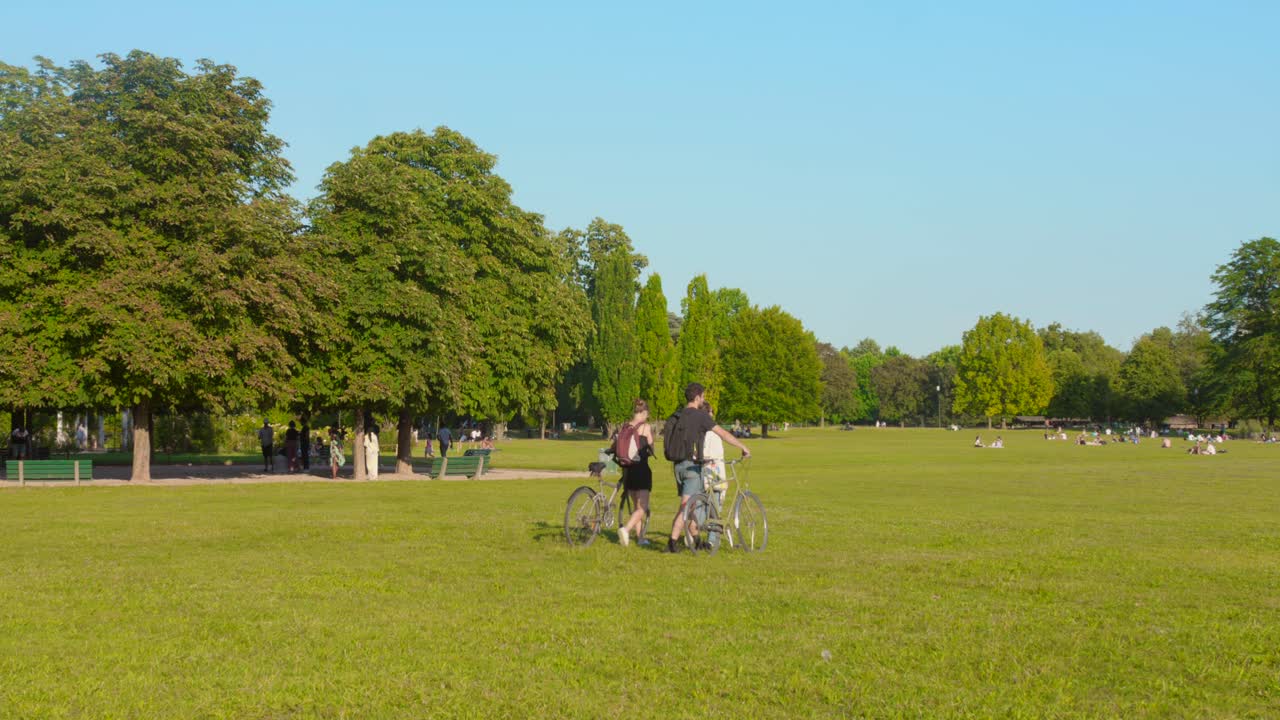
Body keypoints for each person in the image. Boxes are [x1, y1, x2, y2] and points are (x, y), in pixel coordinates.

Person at [664, 383, 750, 553]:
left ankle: (696, 540)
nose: (703, 400)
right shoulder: (701, 416)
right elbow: (723, 434)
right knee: (686, 506)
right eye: (702, 397)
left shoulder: (677, 415)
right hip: (692, 468)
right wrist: (743, 446)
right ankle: (672, 543)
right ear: (697, 398)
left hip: (677, 467)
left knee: (692, 505)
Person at [616, 399, 655, 547]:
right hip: (641, 469)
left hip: (628, 470)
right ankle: (625, 530)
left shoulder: (626, 426)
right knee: (642, 507)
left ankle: (640, 538)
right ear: (644, 413)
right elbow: (651, 448)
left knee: (636, 506)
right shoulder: (645, 427)